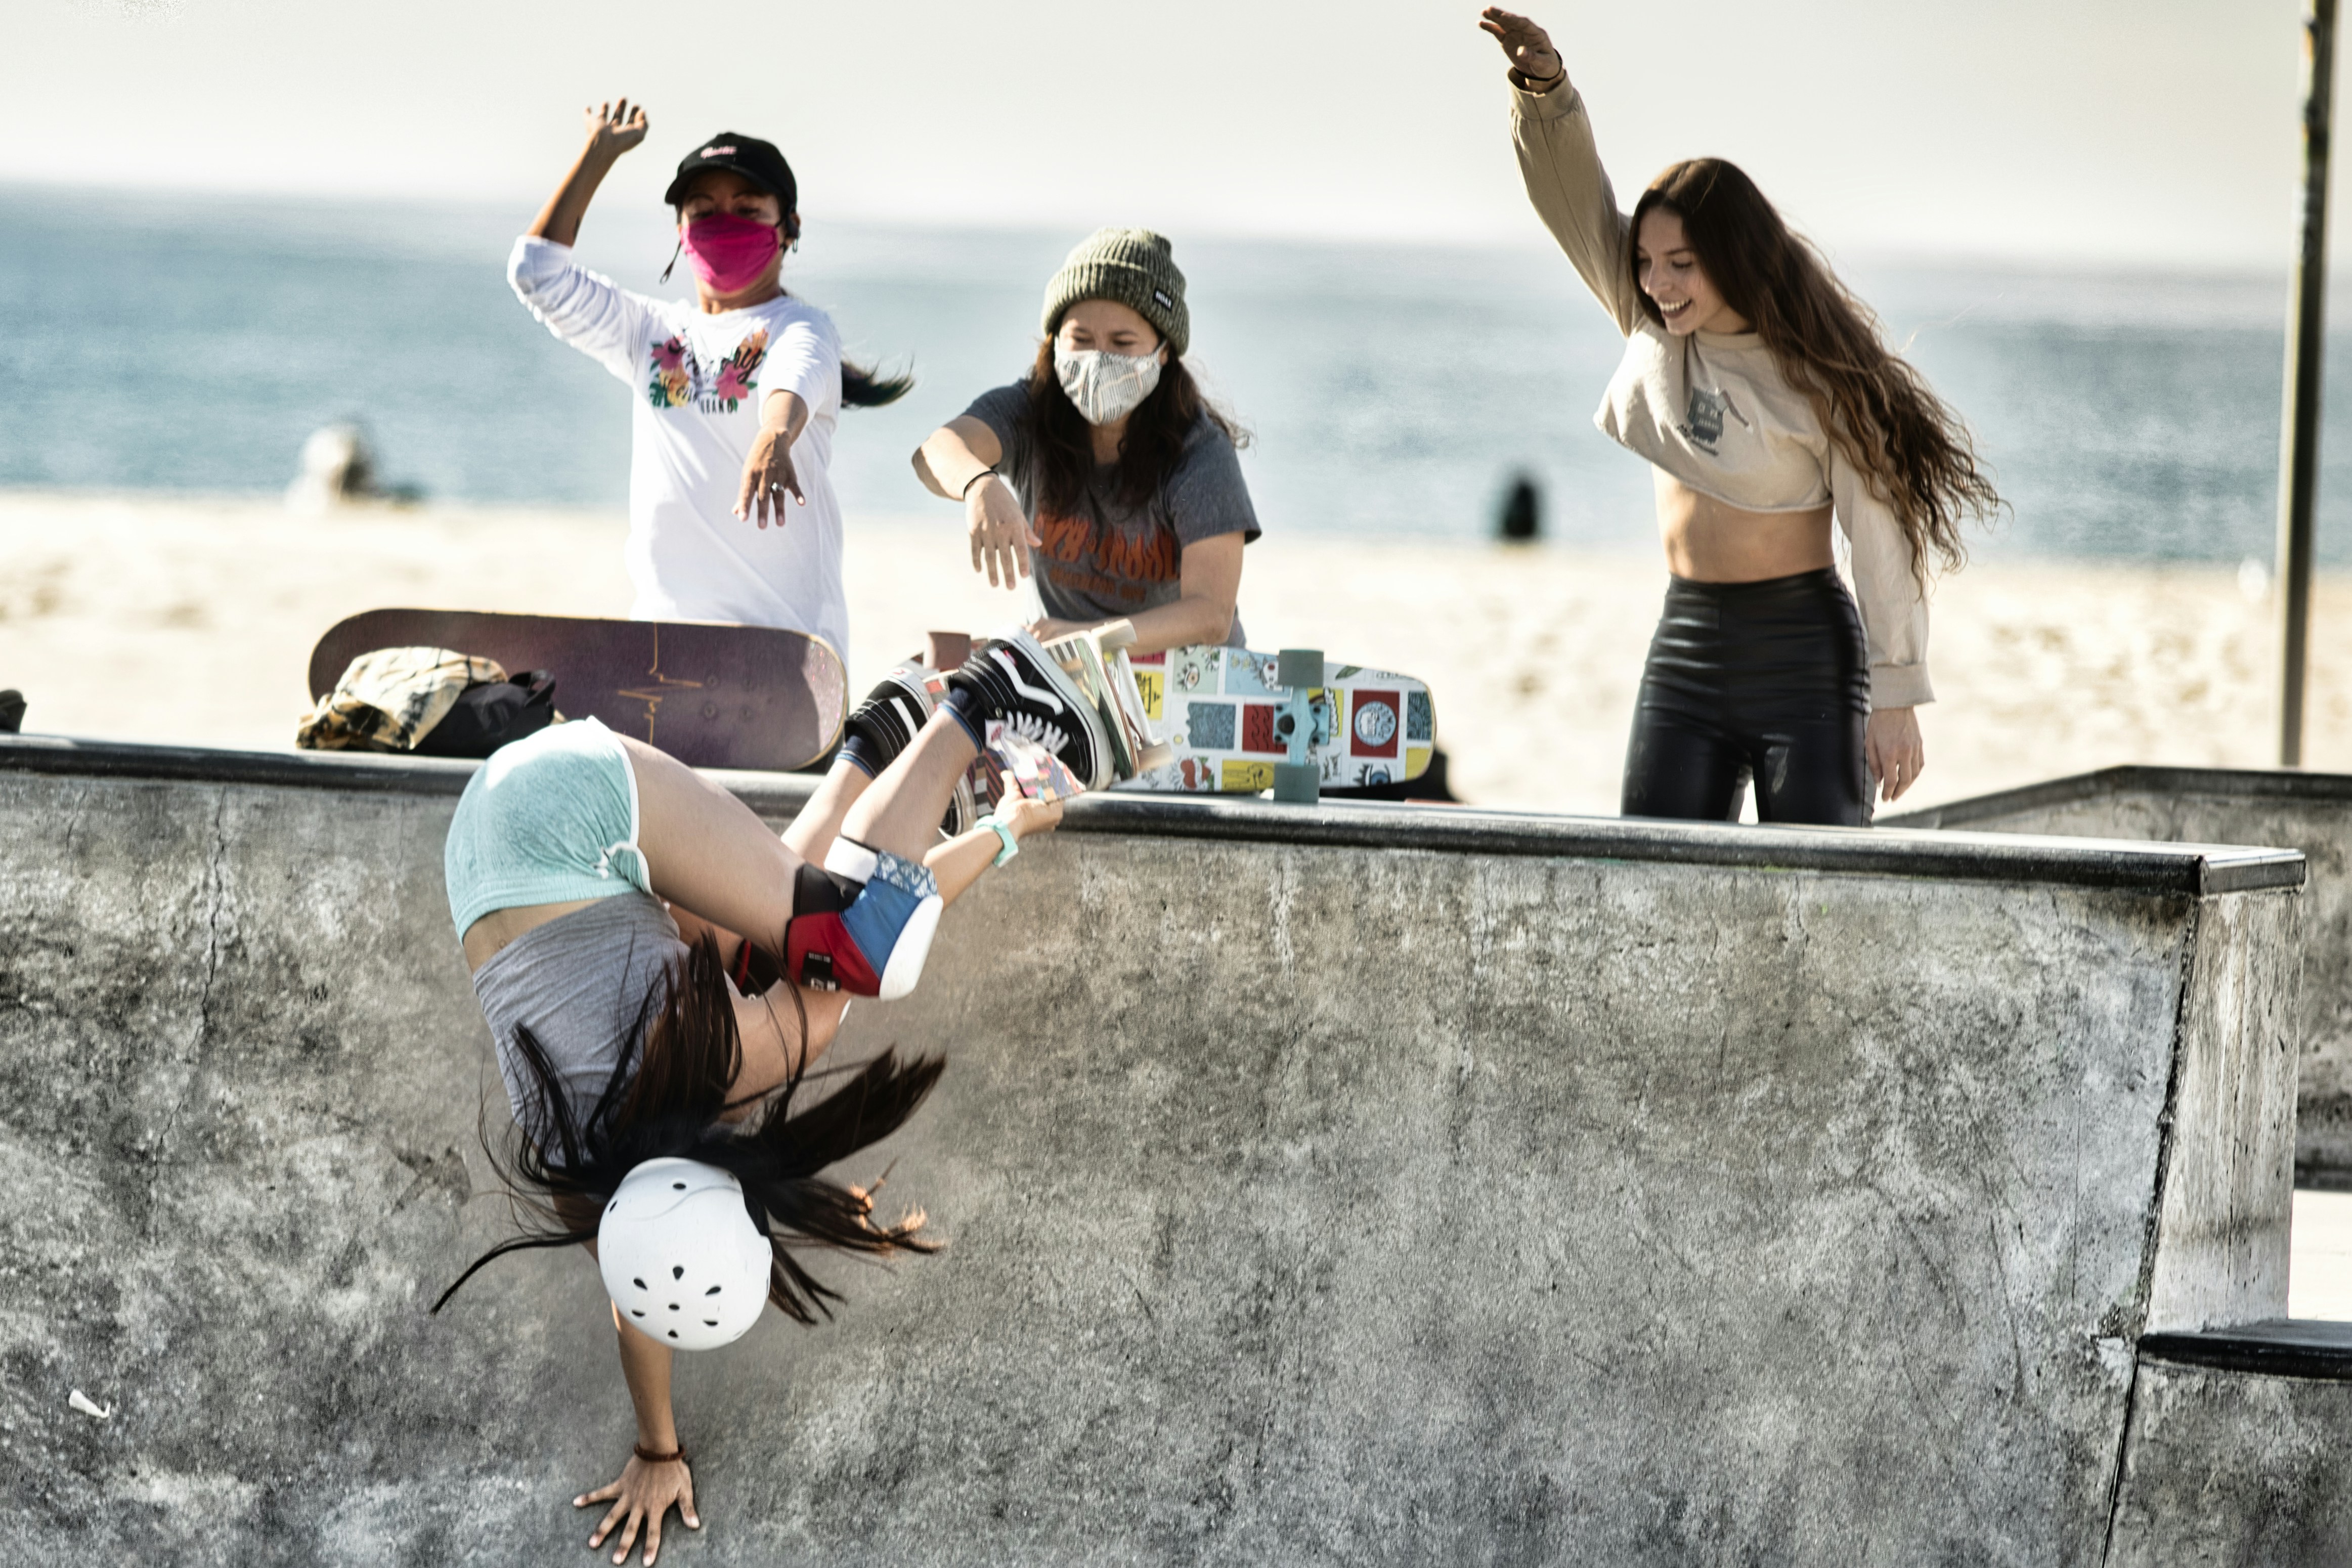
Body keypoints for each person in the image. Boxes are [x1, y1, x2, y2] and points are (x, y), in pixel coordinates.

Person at [430, 627, 1115, 1565]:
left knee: (857, 946)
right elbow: (638, 1306)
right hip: (486, 848)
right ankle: (875, 741)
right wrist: (654, 1448)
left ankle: (984, 696)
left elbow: (881, 929)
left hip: (577, 807)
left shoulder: (734, 1062)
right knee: (759, 949)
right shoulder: (584, 1181)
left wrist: (1005, 832)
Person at [1479, 11, 2002, 823]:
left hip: (1803, 660)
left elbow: (1880, 531)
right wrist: (1545, 92)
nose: (1657, 282)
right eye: (1647, 262)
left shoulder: (1819, 376)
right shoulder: (1652, 325)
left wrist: (1897, 691)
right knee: (1653, 890)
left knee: (1812, 902)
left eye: (1680, 264)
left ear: (1731, 256)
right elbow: (1576, 205)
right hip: (1683, 647)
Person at [508, 99, 910, 655]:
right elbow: (536, 272)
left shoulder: (801, 326)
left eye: (748, 210)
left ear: (789, 228)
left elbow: (794, 379)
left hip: (786, 663)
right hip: (659, 653)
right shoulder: (649, 331)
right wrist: (597, 155)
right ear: (680, 230)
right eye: (703, 211)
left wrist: (774, 435)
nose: (724, 224)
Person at [911, 227, 1260, 658]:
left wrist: (1086, 640)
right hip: (1068, 677)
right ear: (1055, 342)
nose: (1098, 360)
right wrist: (978, 485)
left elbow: (1210, 616)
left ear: (1164, 350)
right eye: (1080, 340)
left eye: (1122, 343)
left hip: (1186, 682)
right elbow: (934, 452)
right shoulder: (1029, 412)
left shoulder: (1199, 452)